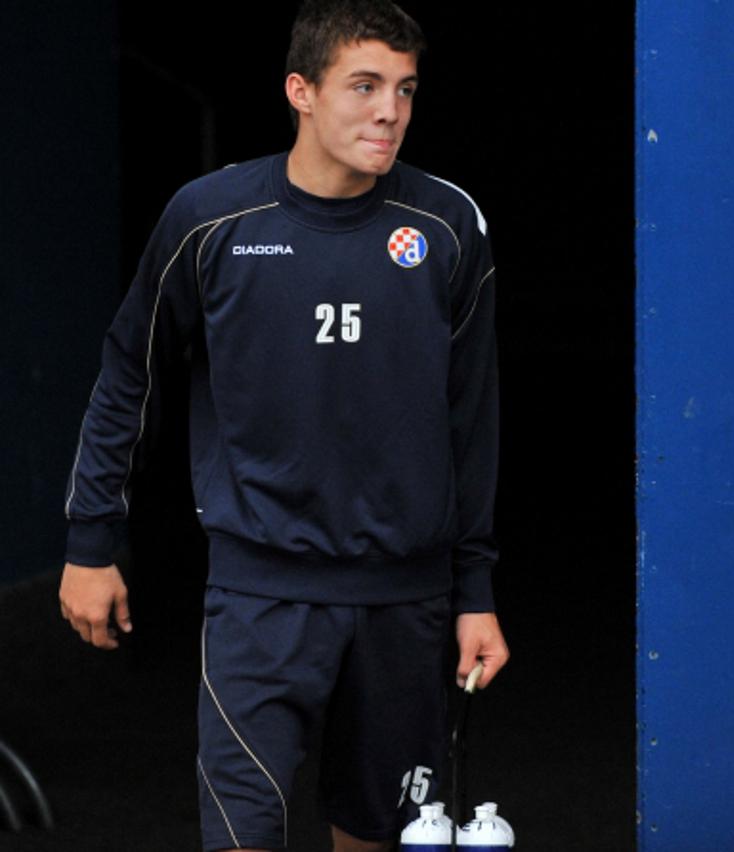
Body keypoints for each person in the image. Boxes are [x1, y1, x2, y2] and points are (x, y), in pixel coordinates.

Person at [57, 2, 510, 850]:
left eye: (406, 90)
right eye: (365, 86)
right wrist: (91, 540)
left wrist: (474, 591)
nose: (390, 112)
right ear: (300, 90)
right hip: (259, 595)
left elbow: (471, 419)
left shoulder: (447, 227)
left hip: (403, 599)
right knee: (241, 835)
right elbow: (132, 375)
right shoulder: (211, 219)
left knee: (374, 831)